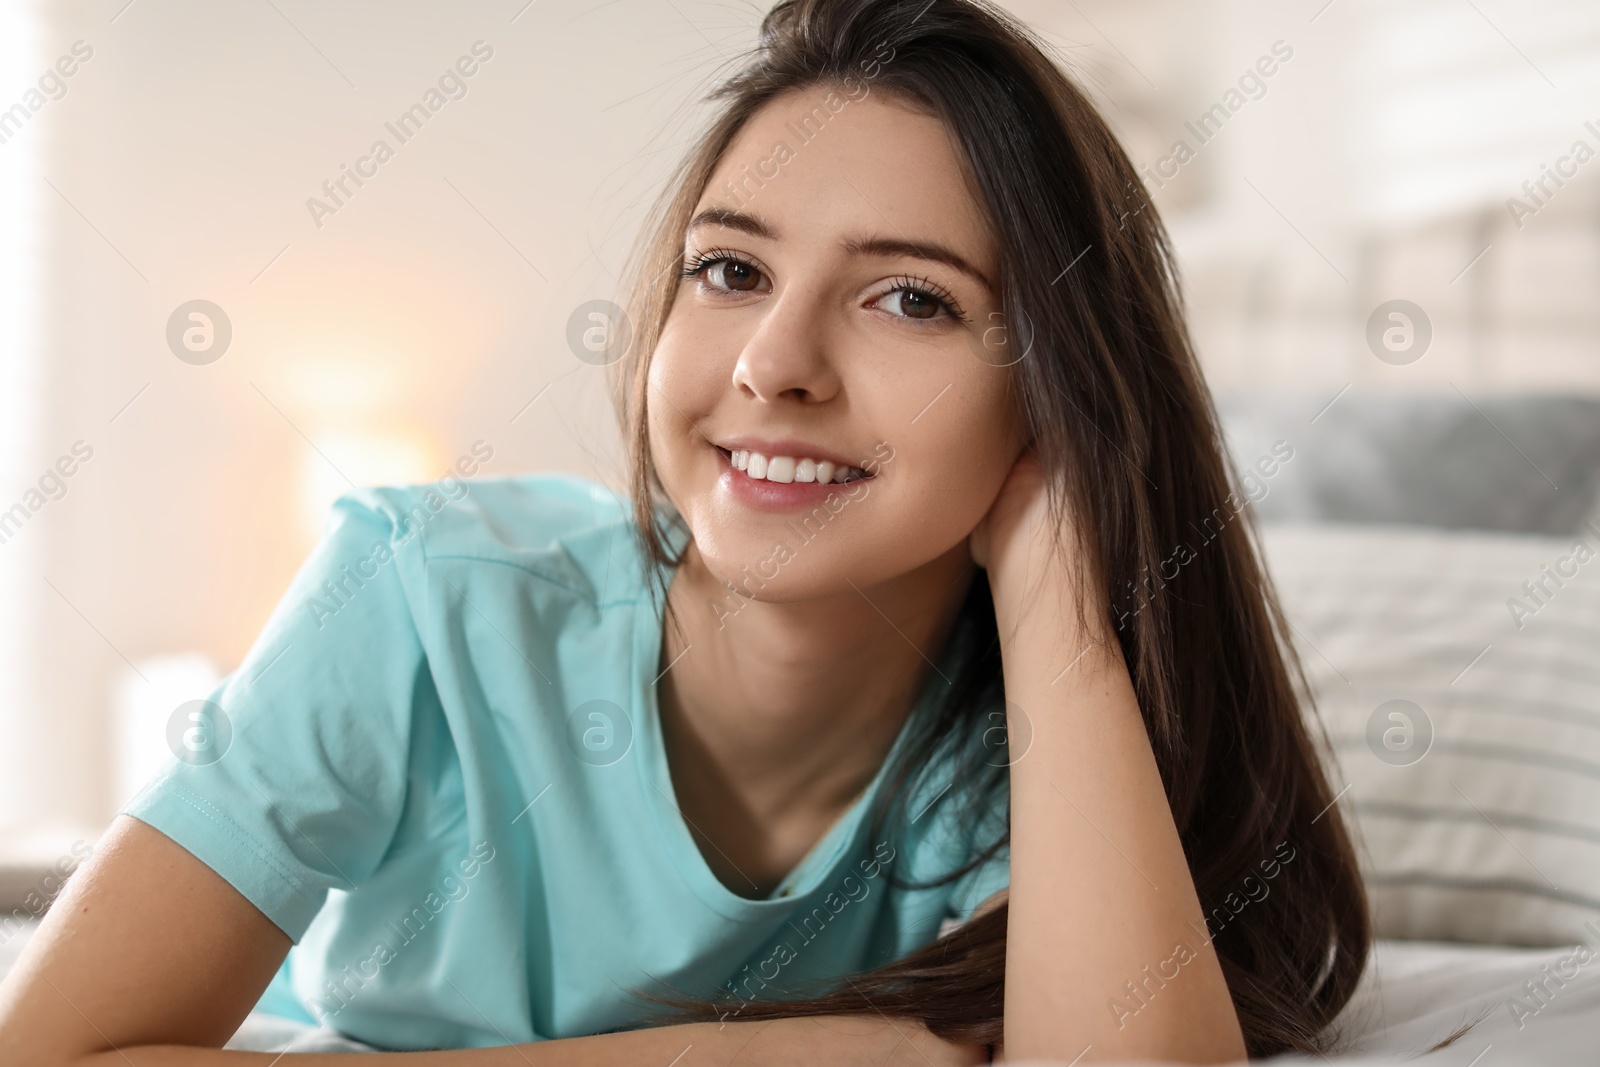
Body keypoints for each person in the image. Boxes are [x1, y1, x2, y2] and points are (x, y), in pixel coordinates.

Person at [0, 0, 1369, 1061]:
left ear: (1058, 395)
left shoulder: (1025, 754)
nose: (775, 362)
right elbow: (51, 1052)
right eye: (731, 269)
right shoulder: (418, 596)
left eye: (911, 301)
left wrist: (1060, 562)